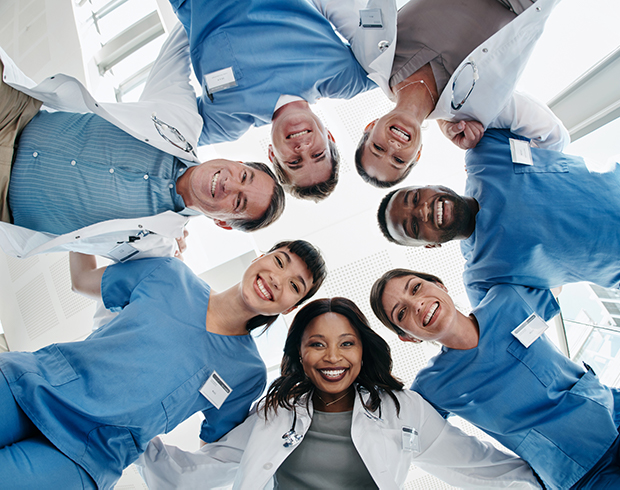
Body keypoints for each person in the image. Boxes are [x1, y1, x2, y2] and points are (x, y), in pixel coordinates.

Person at [0, 239, 326, 490]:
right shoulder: (169, 274)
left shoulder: (247, 373)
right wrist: (83, 227)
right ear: (260, 258)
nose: (277, 280)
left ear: (290, 307)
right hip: (29, 384)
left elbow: (215, 447)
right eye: (279, 262)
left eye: (294, 285)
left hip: (87, 456)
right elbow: (83, 279)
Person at [137, 297, 542, 489]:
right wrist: (128, 434)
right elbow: (196, 474)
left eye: (346, 343)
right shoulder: (274, 413)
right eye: (317, 344)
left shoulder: (405, 411)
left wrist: (561, 479)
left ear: (364, 349)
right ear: (299, 352)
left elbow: (480, 468)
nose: (333, 357)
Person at [0, 24, 285, 261]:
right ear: (236, 163)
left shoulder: (155, 248)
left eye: (238, 201)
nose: (230, 184)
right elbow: (182, 39)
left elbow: (115, 291)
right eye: (244, 176)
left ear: (223, 222)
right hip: (16, 115)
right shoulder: (180, 120)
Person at [371, 268, 620, 489]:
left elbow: (557, 276)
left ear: (440, 285)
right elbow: (408, 434)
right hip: (579, 476)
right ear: (407, 338)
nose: (417, 304)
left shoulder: (506, 300)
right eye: (402, 312)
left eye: (416, 288)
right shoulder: (432, 387)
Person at [377, 129, 620, 305]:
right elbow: (496, 340)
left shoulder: (484, 154)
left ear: (430, 185)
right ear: (430, 245)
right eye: (414, 226)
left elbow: (493, 90)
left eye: (414, 198)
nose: (424, 210)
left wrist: (446, 121)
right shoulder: (483, 278)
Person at [167, 0, 385, 201]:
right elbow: (402, 64)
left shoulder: (226, 123)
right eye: (317, 154)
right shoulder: (344, 79)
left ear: (272, 153)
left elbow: (161, 140)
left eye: (294, 162)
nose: (302, 148)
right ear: (328, 137)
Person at [352, 0, 568, 187]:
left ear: (370, 127)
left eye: (378, 147)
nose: (393, 147)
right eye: (399, 160)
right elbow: (553, 137)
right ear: (417, 154)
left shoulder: (372, 56)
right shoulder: (473, 113)